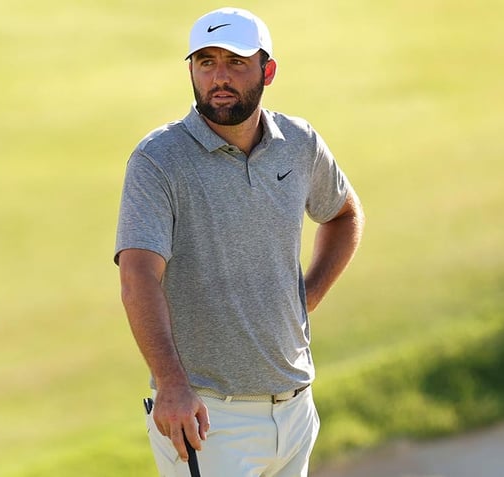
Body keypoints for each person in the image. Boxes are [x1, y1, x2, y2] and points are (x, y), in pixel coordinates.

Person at [115, 7, 365, 477]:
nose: (219, 78)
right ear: (190, 70)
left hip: (295, 406)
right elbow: (138, 278)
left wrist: (305, 297)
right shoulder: (158, 160)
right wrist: (170, 384)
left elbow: (344, 214)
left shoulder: (299, 142)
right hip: (208, 418)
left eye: (235, 62)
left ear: (267, 71)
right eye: (206, 63)